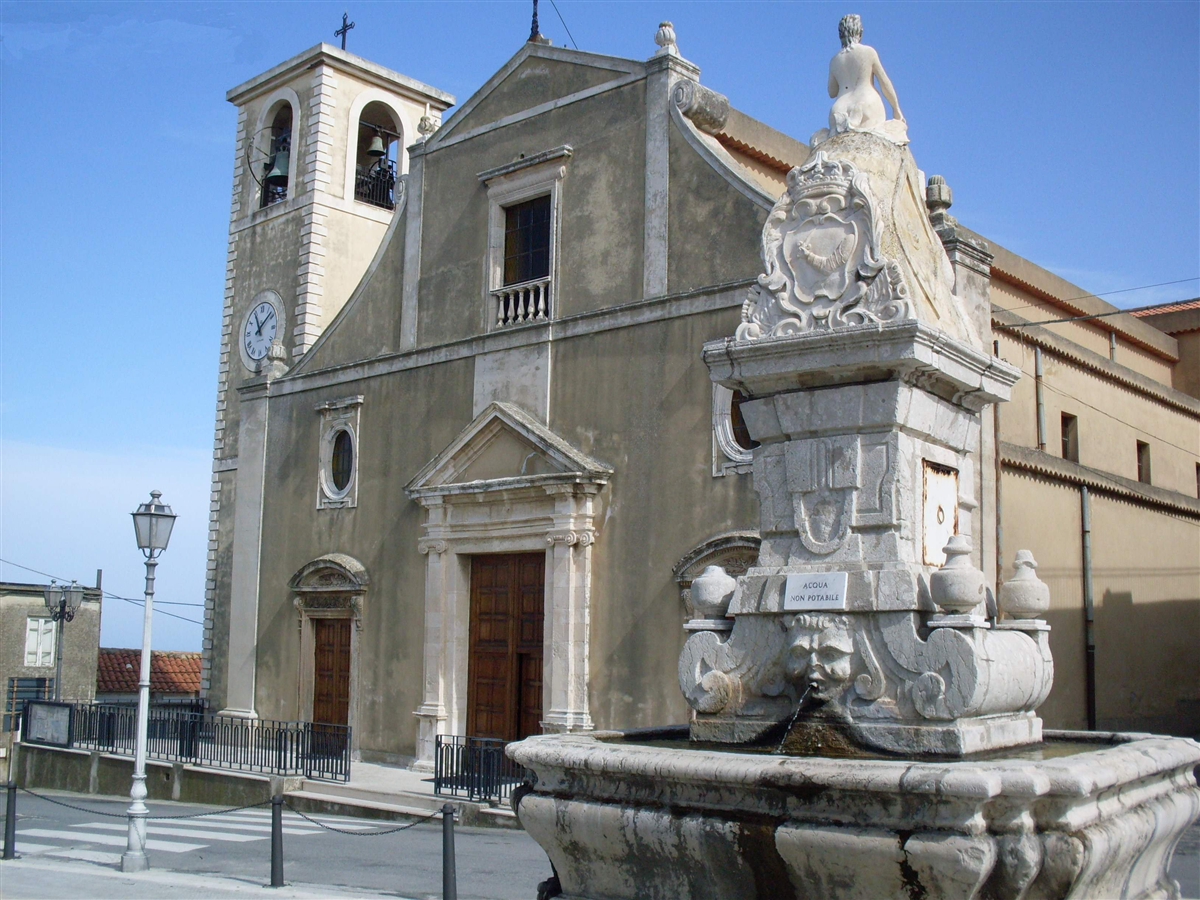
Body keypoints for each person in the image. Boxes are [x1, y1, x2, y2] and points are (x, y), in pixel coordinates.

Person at [812, 14, 908, 146]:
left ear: (841, 34)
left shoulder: (835, 60)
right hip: (866, 102)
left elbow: (832, 92)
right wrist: (896, 109)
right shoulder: (868, 52)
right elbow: (884, 83)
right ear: (860, 31)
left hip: (838, 110)